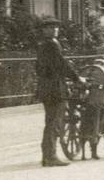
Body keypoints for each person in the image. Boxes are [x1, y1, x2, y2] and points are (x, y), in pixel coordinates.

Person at [34, 17, 83, 167]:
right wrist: (76, 78)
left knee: (49, 122)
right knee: (55, 123)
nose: (54, 29)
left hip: (45, 88)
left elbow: (38, 67)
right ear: (44, 30)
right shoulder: (52, 45)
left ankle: (46, 156)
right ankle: (51, 156)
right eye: (50, 27)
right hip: (55, 89)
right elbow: (62, 64)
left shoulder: (42, 45)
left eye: (56, 27)